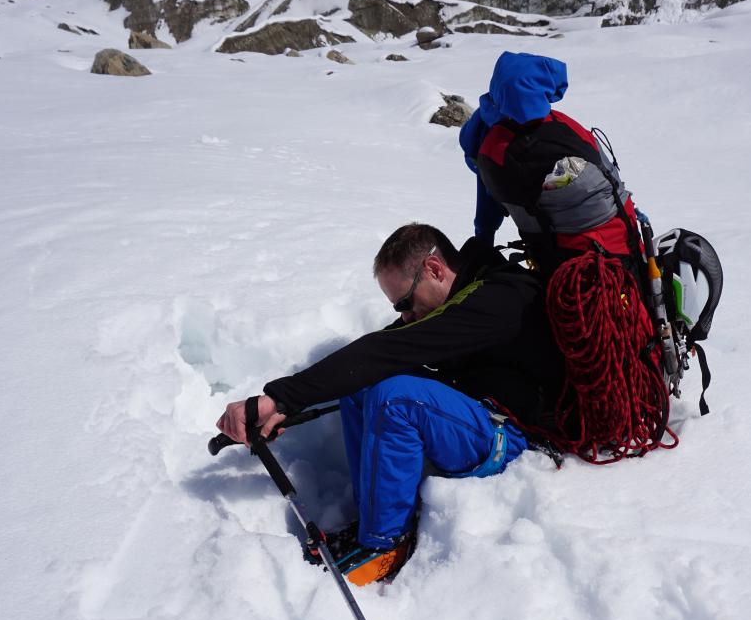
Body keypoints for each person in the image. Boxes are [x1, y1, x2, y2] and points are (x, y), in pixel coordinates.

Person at [215, 223, 564, 585]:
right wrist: (287, 404)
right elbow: (382, 349)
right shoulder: (461, 299)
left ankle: (386, 543)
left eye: (405, 303)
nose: (405, 315)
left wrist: (279, 396)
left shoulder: (496, 301)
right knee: (362, 385)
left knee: (395, 398)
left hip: (520, 434)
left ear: (434, 269)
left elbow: (388, 349)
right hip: (477, 413)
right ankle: (373, 520)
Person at [458, 51, 644, 277]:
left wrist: (484, 242)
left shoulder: (495, 136)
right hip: (607, 249)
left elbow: (489, 204)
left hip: (564, 254)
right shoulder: (552, 129)